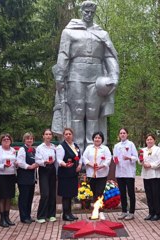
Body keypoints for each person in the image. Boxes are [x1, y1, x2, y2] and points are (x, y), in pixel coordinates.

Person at [52, 1, 119, 152]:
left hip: (96, 79)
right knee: (77, 112)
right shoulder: (69, 31)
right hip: (75, 76)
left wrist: (114, 76)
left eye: (91, 12)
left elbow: (109, 56)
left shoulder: (102, 33)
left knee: (93, 113)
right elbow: (63, 55)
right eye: (86, 12)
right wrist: (60, 77)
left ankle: (92, 150)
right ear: (81, 11)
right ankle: (77, 150)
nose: (89, 15)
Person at [56, 128, 82, 221]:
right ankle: (65, 214)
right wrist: (65, 164)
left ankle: (70, 213)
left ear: (72, 135)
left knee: (71, 194)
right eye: (66, 134)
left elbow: (80, 157)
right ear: (64, 136)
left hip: (73, 174)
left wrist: (80, 164)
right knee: (66, 194)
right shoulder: (61, 146)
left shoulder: (75, 146)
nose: (68, 135)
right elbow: (59, 160)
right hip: (65, 173)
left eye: (69, 134)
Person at [0, 133, 17, 227]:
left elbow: (15, 162)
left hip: (11, 175)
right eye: (4, 139)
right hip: (1, 176)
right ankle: (2, 219)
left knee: (9, 197)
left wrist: (17, 164)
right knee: (2, 197)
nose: (6, 140)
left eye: (8, 139)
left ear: (10, 140)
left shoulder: (13, 150)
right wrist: (3, 166)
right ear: (1, 141)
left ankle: (7, 217)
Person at [113, 128, 138, 220]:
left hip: (129, 172)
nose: (122, 134)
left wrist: (129, 158)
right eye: (121, 133)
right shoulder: (116, 146)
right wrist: (114, 160)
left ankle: (131, 212)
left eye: (124, 133)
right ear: (119, 135)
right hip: (120, 172)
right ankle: (124, 211)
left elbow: (136, 157)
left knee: (131, 193)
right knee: (122, 193)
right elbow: (114, 157)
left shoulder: (131, 144)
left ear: (127, 134)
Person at [34, 129, 57, 223]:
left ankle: (51, 215)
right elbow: (37, 160)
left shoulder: (54, 147)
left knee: (52, 193)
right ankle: (41, 216)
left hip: (52, 170)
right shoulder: (39, 148)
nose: (48, 136)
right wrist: (44, 162)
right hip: (44, 169)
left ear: (51, 136)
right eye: (46, 134)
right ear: (43, 136)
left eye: (50, 134)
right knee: (45, 193)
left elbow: (57, 159)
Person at [82, 131, 111, 204]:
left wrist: (101, 166)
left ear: (102, 139)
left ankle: (99, 210)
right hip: (91, 174)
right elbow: (84, 158)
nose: (97, 139)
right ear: (93, 139)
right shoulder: (89, 148)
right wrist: (91, 165)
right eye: (96, 138)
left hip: (102, 174)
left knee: (99, 192)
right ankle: (95, 211)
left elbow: (108, 159)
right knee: (93, 192)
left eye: (99, 138)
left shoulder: (105, 148)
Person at [16, 132, 39, 224]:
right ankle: (23, 217)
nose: (29, 140)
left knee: (30, 197)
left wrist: (37, 164)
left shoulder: (33, 150)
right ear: (24, 140)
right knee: (24, 197)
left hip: (32, 178)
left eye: (31, 139)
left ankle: (28, 215)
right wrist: (29, 167)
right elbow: (20, 162)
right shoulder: (22, 149)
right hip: (24, 177)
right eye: (28, 139)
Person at [138, 134, 160, 221]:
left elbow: (159, 162)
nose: (149, 141)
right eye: (147, 139)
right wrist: (142, 162)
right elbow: (139, 161)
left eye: (151, 139)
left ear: (154, 140)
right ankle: (151, 212)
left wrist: (150, 165)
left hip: (155, 175)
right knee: (149, 195)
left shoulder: (158, 149)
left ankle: (157, 213)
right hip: (146, 175)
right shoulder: (143, 150)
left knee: (156, 195)